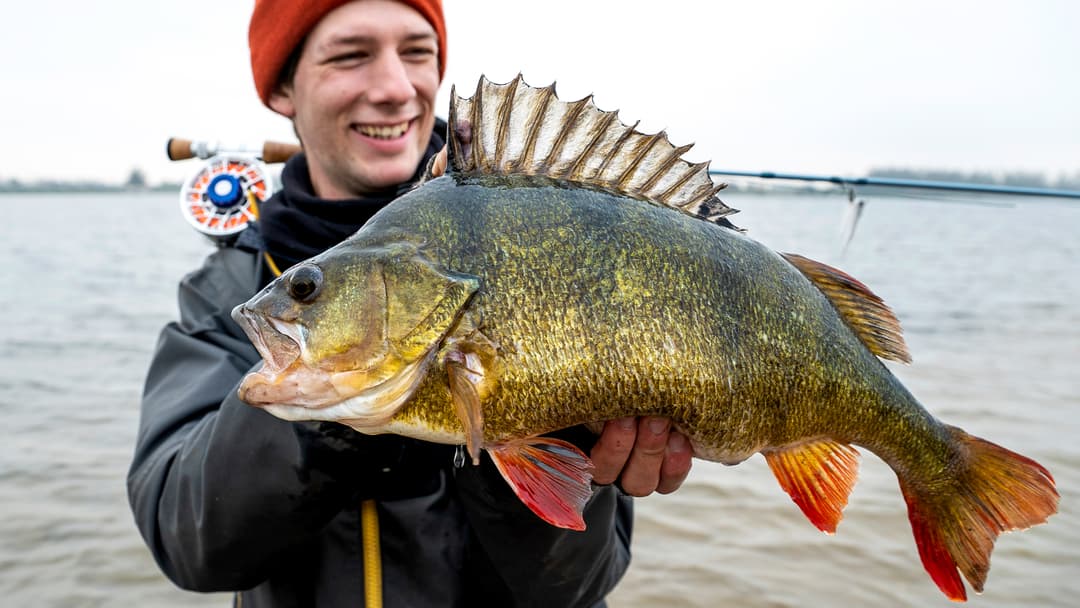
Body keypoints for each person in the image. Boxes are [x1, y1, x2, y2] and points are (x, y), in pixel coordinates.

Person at [127, 1, 693, 606]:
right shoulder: (227, 289)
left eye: (418, 52)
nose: (395, 88)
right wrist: (337, 405)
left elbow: (579, 584)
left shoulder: (551, 221)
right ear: (284, 88)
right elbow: (188, 540)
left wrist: (550, 430)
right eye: (351, 55)